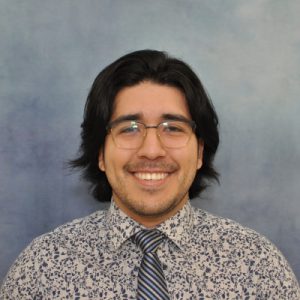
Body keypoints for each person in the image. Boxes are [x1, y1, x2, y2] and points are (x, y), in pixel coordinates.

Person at [1, 50, 299, 299]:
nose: (152, 150)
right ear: (101, 154)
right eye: (129, 128)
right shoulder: (43, 267)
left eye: (173, 128)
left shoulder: (257, 265)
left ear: (199, 153)